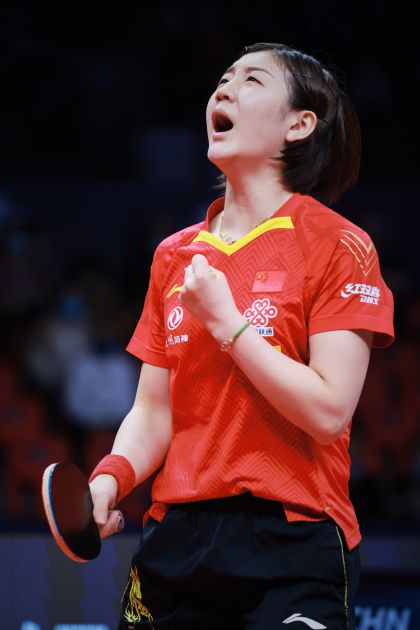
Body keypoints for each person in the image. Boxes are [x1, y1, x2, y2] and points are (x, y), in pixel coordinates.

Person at [89, 42, 394, 629]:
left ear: (299, 125)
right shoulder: (175, 255)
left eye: (252, 81)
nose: (223, 90)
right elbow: (153, 411)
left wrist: (229, 324)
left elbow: (329, 410)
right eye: (224, 79)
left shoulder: (340, 245)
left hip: (293, 538)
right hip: (177, 541)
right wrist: (113, 475)